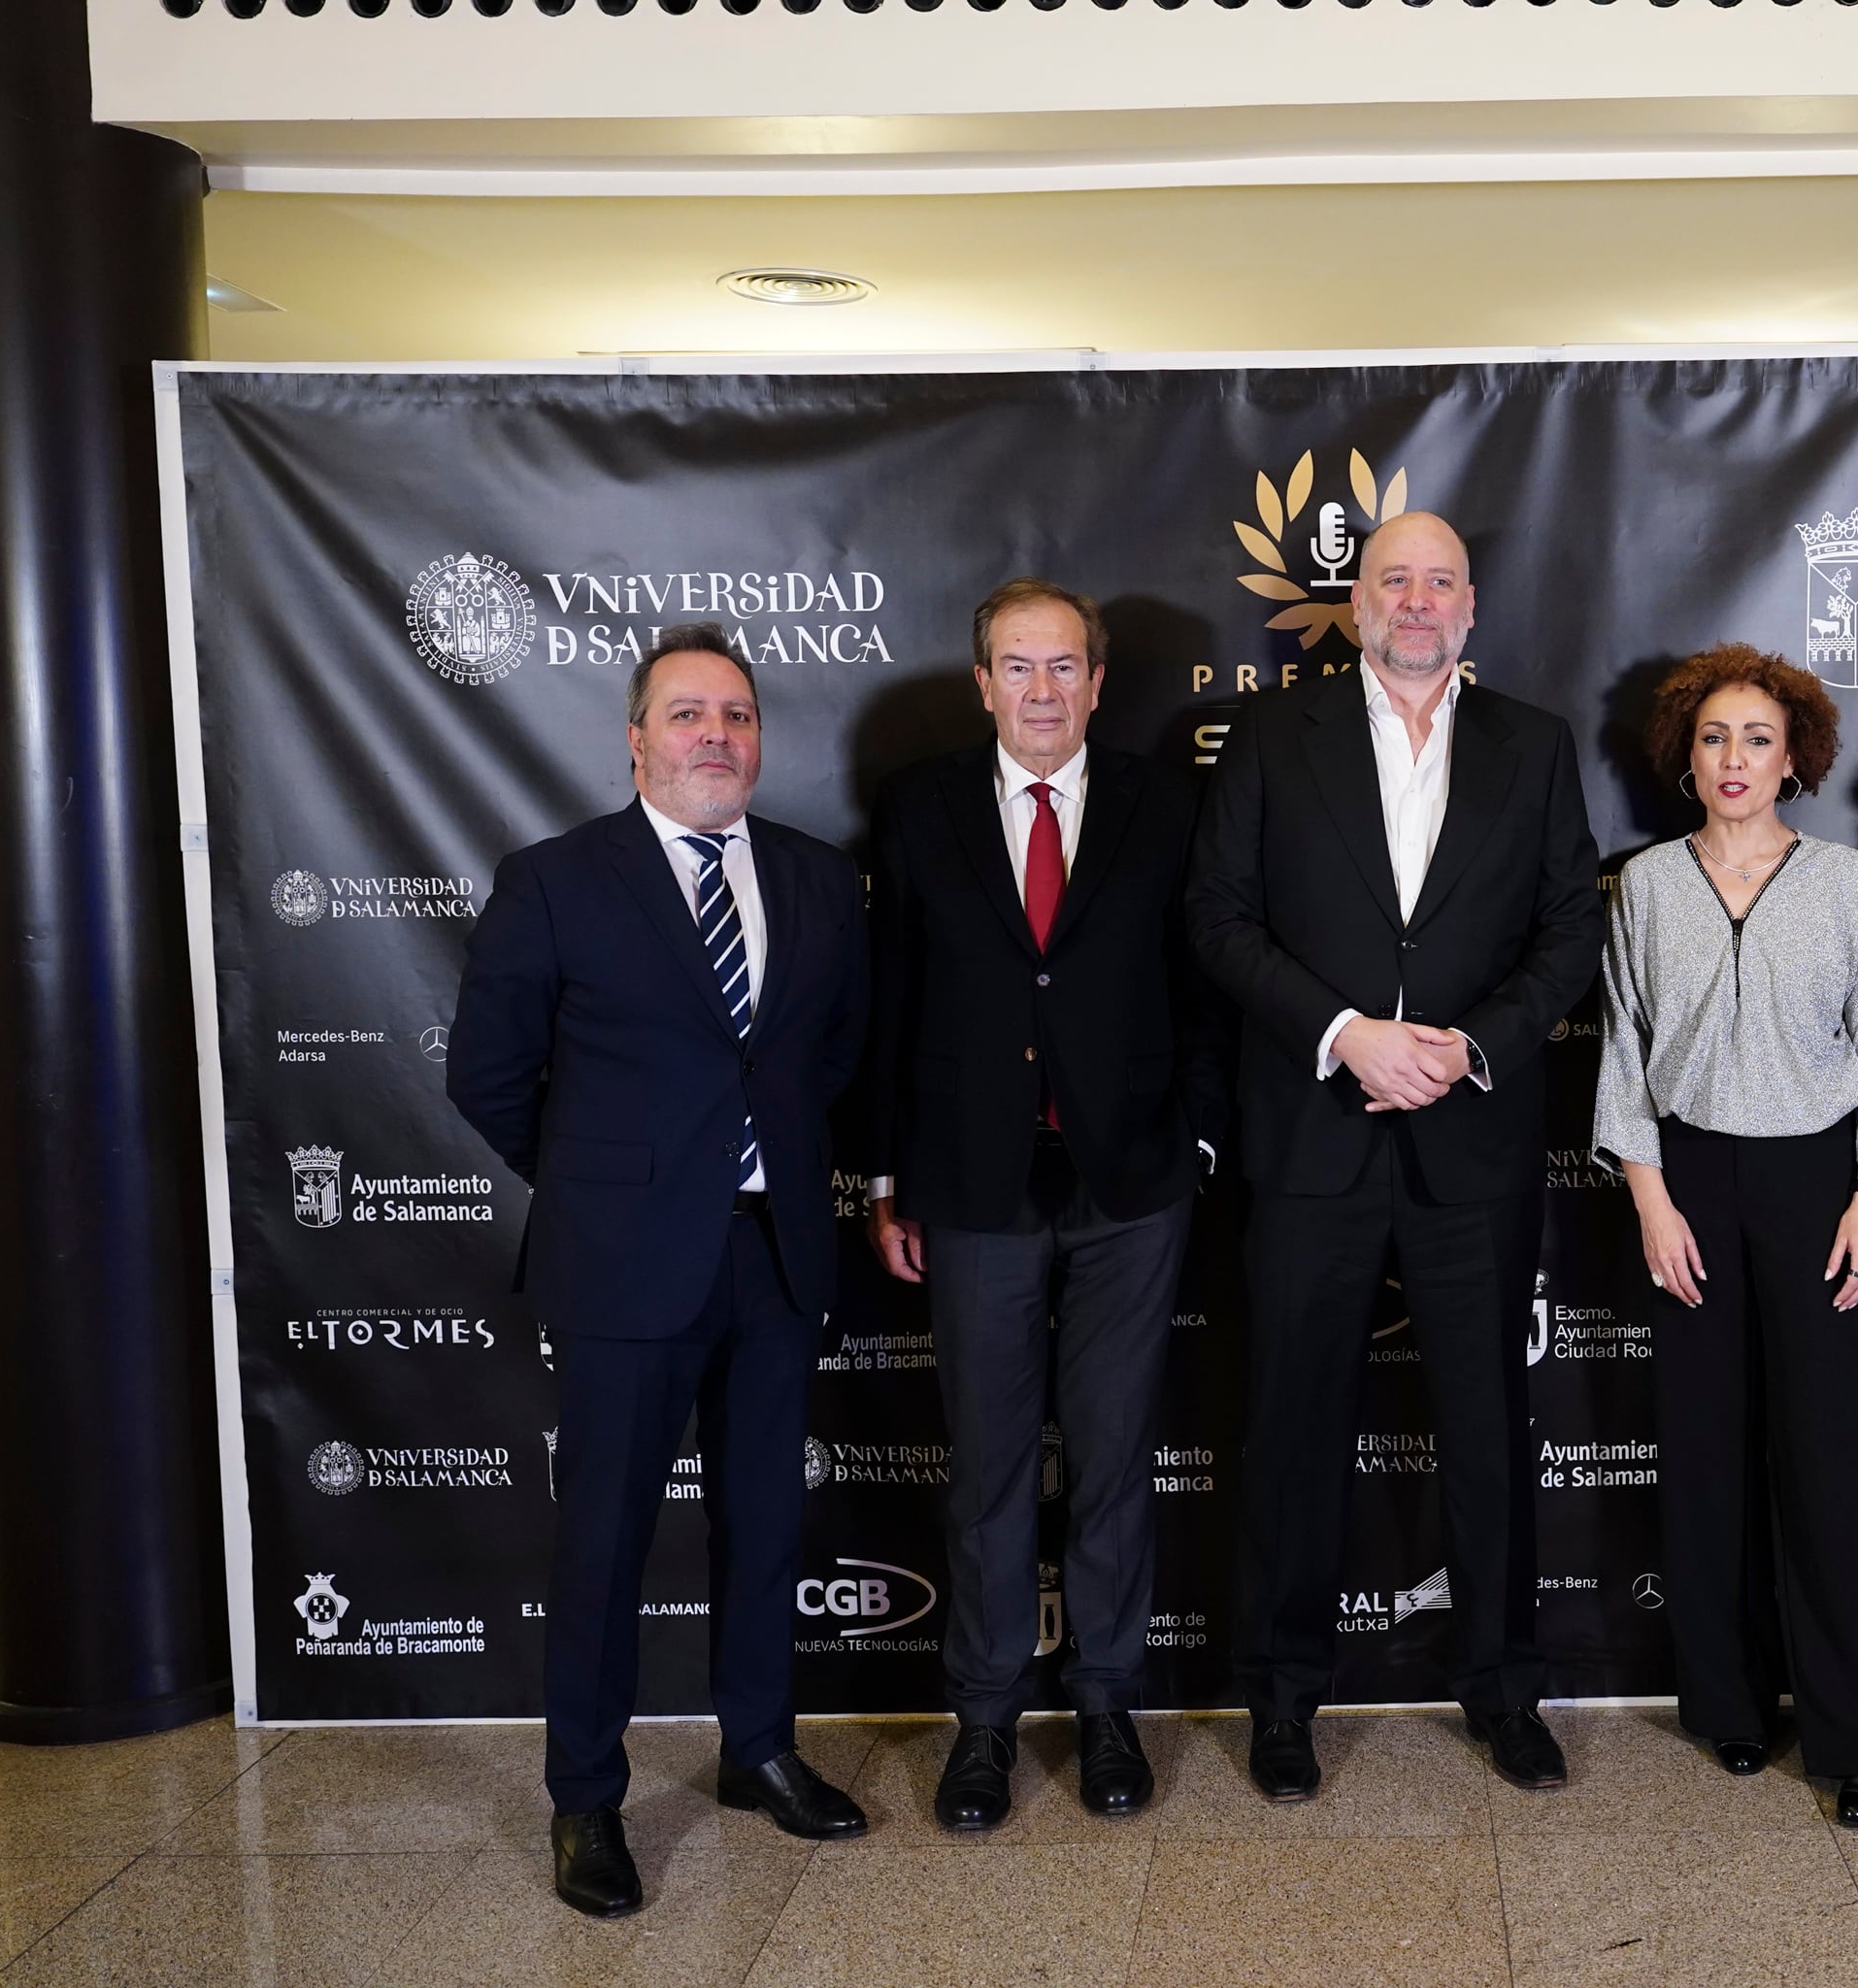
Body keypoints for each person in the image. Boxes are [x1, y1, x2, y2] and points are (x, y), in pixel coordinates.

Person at [448, 622, 872, 1918]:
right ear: (635, 739)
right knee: (605, 1540)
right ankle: (585, 1800)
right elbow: (489, 1075)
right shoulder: (557, 879)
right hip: (625, 1265)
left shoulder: (813, 878)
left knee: (764, 1524)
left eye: (737, 716)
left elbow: (836, 1056)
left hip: (776, 1252)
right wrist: (604, 1181)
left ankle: (758, 1750)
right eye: (688, 716)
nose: (717, 737)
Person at [1187, 511, 1604, 1802]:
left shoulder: (1532, 745)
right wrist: (1346, 1034)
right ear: (1352, 603)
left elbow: (1569, 928)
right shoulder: (1268, 737)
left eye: (1438, 584)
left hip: (1469, 1141)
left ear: (1470, 607)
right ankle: (1282, 1698)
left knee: (1489, 1432)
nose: (1415, 603)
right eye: (1391, 582)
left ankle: (1502, 1688)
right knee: (1294, 1429)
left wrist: (1467, 1047)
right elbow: (1217, 916)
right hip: (1315, 1136)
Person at [860, 578, 1231, 1833]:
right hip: (971, 1189)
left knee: (1117, 1457)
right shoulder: (918, 810)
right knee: (991, 1466)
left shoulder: (1164, 806)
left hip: (1131, 1184)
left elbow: (1206, 988)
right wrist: (886, 1176)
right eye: (1017, 668)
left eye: (1063, 666)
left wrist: (1196, 1139)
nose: (1041, 690)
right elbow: (890, 1003)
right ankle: (983, 1719)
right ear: (981, 684)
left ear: (1098, 680)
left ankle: (1110, 1701)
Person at [1590, 643, 1858, 1830]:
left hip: (1818, 1178)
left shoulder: (1842, 883)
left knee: (1834, 1454)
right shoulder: (1643, 884)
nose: (1736, 759)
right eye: (1717, 737)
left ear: (1797, 759)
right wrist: (1651, 1198)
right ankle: (1729, 1704)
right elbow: (1622, 1051)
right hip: (1686, 1182)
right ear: (1687, 753)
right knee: (1706, 1445)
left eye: (1760, 739)